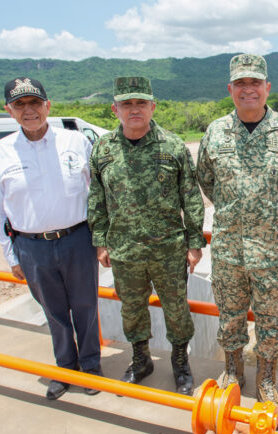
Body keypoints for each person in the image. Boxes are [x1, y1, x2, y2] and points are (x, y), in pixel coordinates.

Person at [197, 54, 278, 429]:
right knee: (230, 318)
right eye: (241, 83)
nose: (249, 89)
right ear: (230, 89)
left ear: (267, 88)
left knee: (270, 321)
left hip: (273, 250)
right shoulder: (215, 131)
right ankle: (233, 372)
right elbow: (207, 181)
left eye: (255, 82)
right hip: (229, 248)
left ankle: (265, 381)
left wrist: (266, 216)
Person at [87, 77, 205, 396]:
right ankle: (141, 360)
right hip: (124, 249)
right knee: (132, 309)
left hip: (169, 249)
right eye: (127, 104)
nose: (134, 110)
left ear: (153, 107)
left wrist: (195, 244)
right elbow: (96, 197)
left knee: (176, 309)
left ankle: (180, 364)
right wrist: (100, 241)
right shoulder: (103, 148)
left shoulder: (173, 146)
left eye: (141, 103)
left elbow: (190, 197)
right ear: (115, 109)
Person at [0, 77, 101, 400]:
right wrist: (12, 256)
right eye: (20, 105)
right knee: (52, 310)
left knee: (85, 306)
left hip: (78, 239)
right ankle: (65, 368)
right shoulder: (1, 152)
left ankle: (92, 368)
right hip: (31, 246)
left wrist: (101, 239)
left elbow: (99, 194)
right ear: (10, 111)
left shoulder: (75, 142)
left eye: (35, 103)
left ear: (47, 106)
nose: (29, 111)